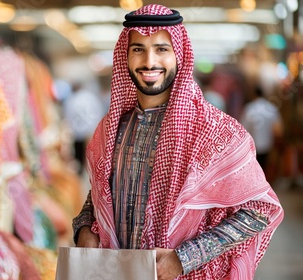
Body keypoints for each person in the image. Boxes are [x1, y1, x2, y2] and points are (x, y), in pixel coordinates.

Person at [72, 4, 284, 280]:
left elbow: (261, 209)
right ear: (125, 56)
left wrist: (184, 258)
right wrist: (86, 225)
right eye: (138, 49)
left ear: (179, 55)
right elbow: (101, 191)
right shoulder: (111, 129)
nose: (149, 61)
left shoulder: (216, 130)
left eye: (161, 49)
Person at [240, 86, 283, 175]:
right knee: (265, 168)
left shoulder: (249, 109)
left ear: (253, 95)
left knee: (254, 171)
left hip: (253, 146)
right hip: (268, 145)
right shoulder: (271, 108)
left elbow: (243, 129)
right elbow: (278, 130)